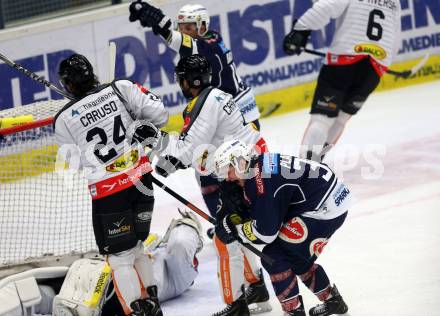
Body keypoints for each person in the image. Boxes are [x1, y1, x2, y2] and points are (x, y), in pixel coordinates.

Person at [143, 54, 271, 316]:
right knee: (238, 232)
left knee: (228, 237)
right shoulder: (216, 96)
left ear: (191, 80)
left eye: (182, 79)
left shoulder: (204, 103)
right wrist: (167, 158)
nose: (180, 83)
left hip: (242, 173)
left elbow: (187, 150)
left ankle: (236, 305)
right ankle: (256, 286)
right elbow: (198, 147)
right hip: (246, 168)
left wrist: (157, 143)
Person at [128, 1, 262, 229]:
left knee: (220, 169)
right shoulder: (211, 38)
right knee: (209, 169)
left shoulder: (208, 45)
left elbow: (179, 41)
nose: (184, 32)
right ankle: (229, 219)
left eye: (189, 27)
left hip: (232, 117)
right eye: (182, 27)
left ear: (201, 26)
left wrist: (159, 22)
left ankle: (238, 219)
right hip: (235, 113)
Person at [53, 53, 168, 316]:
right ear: (92, 73)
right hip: (142, 183)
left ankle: (139, 312)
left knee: (120, 257)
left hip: (109, 195)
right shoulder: (121, 88)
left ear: (67, 85)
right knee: (137, 246)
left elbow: (74, 163)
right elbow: (159, 114)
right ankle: (153, 306)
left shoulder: (62, 119)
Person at [213, 139, 352, 316]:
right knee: (294, 256)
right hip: (329, 198)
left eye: (228, 170)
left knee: (274, 256)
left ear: (240, 162)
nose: (228, 177)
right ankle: (333, 301)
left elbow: (266, 233)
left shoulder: (260, 182)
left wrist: (235, 230)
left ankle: (294, 312)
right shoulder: (260, 165)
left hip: (324, 208)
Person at [0, 211, 204, 316]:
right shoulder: (154, 249)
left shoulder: (175, 279)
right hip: (93, 272)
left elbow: (181, 241)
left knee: (35, 294)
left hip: (98, 291)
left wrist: (186, 224)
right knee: (29, 292)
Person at [283, 0, 401, 161]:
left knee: (322, 119)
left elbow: (327, 6)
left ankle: (306, 170)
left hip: (344, 61)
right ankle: (316, 164)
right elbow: (395, 39)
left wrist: (301, 30)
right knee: (341, 119)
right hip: (375, 68)